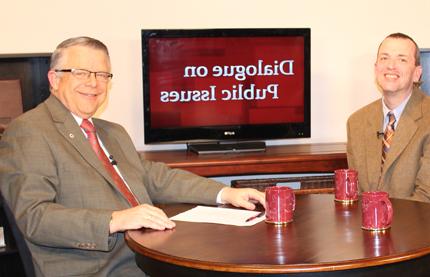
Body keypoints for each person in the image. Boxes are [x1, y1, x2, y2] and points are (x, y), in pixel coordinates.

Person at [0, 37, 266, 276]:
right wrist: (116, 219)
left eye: (102, 74)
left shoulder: (111, 132)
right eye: (81, 72)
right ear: (54, 79)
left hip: (149, 252)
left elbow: (155, 177)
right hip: (99, 266)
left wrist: (225, 194)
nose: (93, 83)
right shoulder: (29, 131)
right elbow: (35, 218)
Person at [346, 33, 430, 211]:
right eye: (384, 58)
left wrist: (377, 218)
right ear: (376, 68)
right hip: (373, 230)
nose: (391, 65)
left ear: (417, 73)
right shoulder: (356, 122)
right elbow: (356, 192)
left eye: (402, 59)